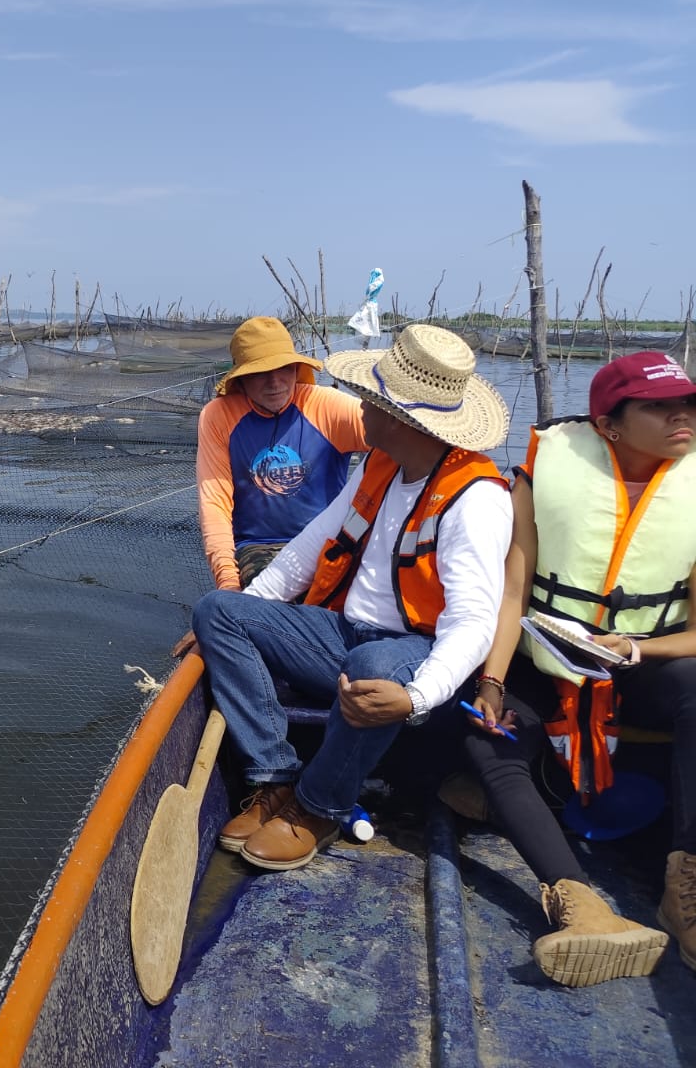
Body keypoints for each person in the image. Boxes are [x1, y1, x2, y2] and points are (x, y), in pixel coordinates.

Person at [192, 324, 513, 871]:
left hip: (412, 652)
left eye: (370, 399)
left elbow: (474, 621)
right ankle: (275, 776)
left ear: (400, 418)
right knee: (217, 611)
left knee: (372, 665)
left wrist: (416, 698)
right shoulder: (381, 465)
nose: (359, 406)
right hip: (344, 633)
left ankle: (319, 806)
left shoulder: (476, 498)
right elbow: (310, 545)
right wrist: (249, 606)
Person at [460, 350, 696, 987]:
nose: (682, 416)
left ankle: (685, 886)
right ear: (608, 425)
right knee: (488, 737)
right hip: (548, 661)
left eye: (688, 403)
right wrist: (492, 682)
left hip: (643, 668)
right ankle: (579, 902)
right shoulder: (547, 467)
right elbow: (514, 591)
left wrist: (633, 648)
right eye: (660, 406)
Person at [195, 317, 367, 591]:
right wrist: (227, 582)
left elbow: (398, 437)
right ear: (241, 379)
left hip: (327, 541)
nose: (275, 382)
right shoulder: (219, 416)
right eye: (260, 372)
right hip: (260, 547)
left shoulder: (325, 406)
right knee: (264, 599)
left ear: (297, 368)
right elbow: (214, 504)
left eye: (284, 368)